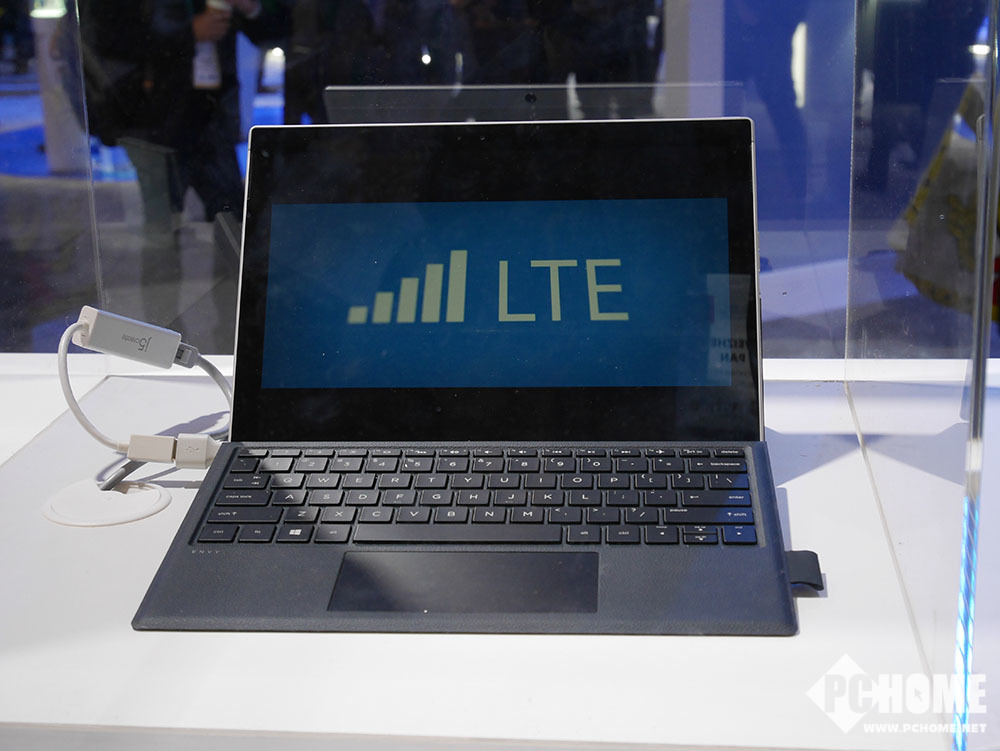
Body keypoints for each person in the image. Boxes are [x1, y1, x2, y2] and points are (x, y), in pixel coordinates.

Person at [78, 0, 288, 328]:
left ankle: (236, 327)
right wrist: (189, 34)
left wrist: (250, 8)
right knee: (162, 232)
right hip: (154, 123)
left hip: (212, 119)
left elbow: (275, 29)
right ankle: (161, 333)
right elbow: (109, 38)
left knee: (233, 228)